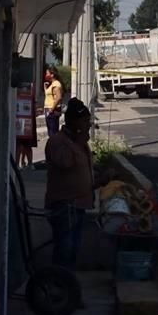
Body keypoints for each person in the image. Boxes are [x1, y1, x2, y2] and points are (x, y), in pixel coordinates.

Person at [44, 98, 93, 273]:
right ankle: (60, 282)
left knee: (73, 248)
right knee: (65, 248)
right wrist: (79, 141)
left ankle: (67, 279)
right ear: (74, 122)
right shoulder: (58, 142)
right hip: (64, 204)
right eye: (85, 122)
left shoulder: (79, 143)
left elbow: (81, 170)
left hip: (78, 203)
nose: (89, 126)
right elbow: (65, 163)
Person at [44, 66, 65, 138]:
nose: (46, 75)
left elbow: (58, 97)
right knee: (50, 132)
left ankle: (55, 147)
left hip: (52, 110)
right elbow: (49, 96)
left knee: (53, 132)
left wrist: (52, 109)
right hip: (49, 109)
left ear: (52, 74)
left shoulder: (56, 84)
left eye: (47, 73)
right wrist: (46, 88)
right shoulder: (52, 84)